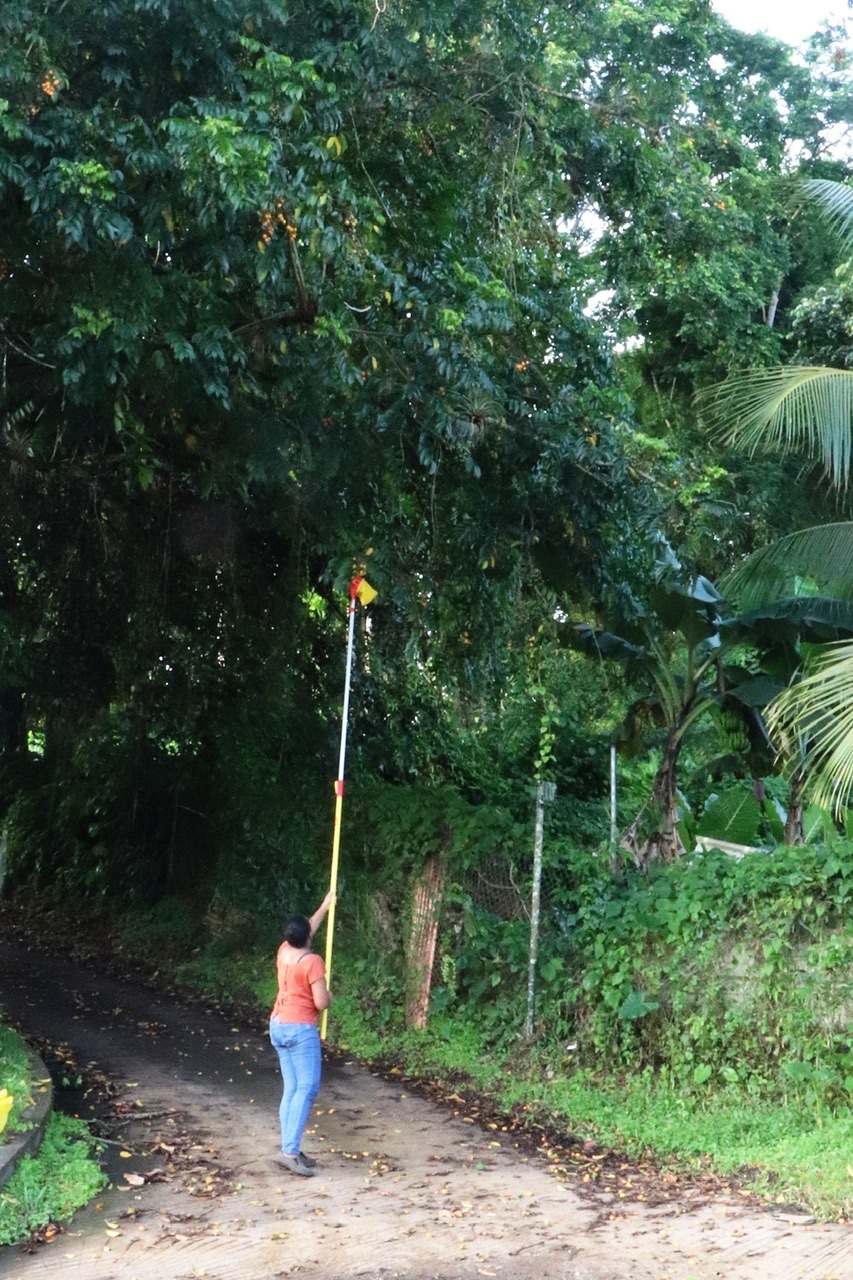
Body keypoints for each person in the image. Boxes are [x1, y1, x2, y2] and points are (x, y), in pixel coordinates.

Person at [269, 890, 334, 1177]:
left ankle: (289, 1146)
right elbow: (321, 1002)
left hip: (279, 1024)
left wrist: (324, 907)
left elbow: (306, 928)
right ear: (307, 937)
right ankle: (289, 1152)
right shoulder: (312, 962)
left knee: (292, 1089)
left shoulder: (285, 951)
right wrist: (330, 996)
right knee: (306, 1088)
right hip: (300, 1029)